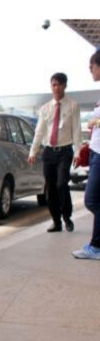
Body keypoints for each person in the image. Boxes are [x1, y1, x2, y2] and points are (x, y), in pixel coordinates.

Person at [28, 73, 81, 233]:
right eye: (53, 85)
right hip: (49, 152)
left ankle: (67, 217)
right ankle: (56, 221)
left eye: (59, 84)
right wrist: (33, 151)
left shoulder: (73, 106)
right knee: (50, 188)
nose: (56, 88)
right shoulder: (45, 108)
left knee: (61, 183)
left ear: (65, 86)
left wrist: (78, 152)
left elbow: (77, 130)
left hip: (65, 151)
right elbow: (39, 131)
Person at [73, 50, 100, 259]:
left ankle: (97, 246)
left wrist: (95, 122)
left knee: (91, 200)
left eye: (91, 67)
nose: (90, 71)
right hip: (95, 151)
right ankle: (95, 245)